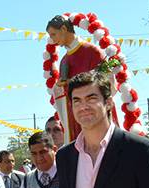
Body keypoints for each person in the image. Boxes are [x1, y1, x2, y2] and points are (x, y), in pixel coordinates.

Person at [46, 15, 118, 143]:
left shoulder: (91, 51)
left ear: (63, 29)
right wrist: (59, 86)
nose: (52, 39)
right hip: (75, 117)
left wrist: (74, 83)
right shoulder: (64, 60)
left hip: (95, 115)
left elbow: (107, 82)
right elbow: (63, 91)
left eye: (53, 34)